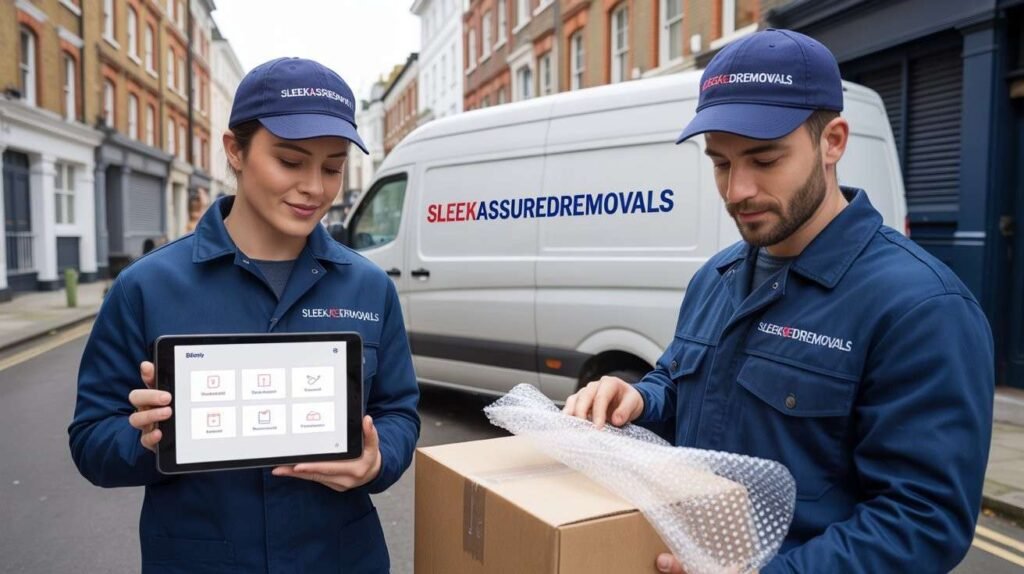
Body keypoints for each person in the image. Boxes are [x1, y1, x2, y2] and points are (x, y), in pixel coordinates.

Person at [564, 29, 994, 573]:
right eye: (720, 162)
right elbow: (684, 388)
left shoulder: (921, 308)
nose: (736, 190)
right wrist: (640, 399)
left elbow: (922, 521)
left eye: (764, 160)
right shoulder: (714, 278)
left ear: (833, 140)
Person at [68, 57, 420, 573]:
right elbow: (91, 440)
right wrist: (147, 441)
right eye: (290, 161)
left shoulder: (368, 287)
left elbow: (398, 413)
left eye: (332, 166)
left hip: (340, 558)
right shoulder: (145, 286)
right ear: (235, 150)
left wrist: (377, 459)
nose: (315, 188)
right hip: (199, 560)